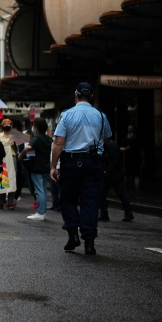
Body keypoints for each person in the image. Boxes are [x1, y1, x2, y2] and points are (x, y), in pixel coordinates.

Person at [51, 82, 112, 255]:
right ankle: (89, 243)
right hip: (93, 162)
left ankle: (73, 235)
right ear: (91, 97)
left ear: (75, 94)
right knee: (90, 201)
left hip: (71, 162)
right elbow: (107, 139)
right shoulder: (101, 116)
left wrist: (53, 166)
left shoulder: (67, 115)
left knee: (68, 199)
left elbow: (59, 143)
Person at [17, 117, 53, 221]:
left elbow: (29, 147)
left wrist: (21, 155)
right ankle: (43, 212)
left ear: (36, 127)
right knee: (43, 190)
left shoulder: (37, 138)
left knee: (39, 190)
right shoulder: (48, 138)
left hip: (37, 167)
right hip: (46, 166)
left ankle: (40, 212)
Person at [99, 138, 134, 222]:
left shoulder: (112, 145)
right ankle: (104, 214)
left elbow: (115, 160)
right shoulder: (106, 145)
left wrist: (108, 171)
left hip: (115, 175)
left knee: (121, 194)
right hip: (108, 175)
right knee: (101, 193)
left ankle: (128, 213)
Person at [0, 118, 19, 210]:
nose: (6, 125)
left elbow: (18, 149)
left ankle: (10, 203)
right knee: (1, 179)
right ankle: (1, 202)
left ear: (11, 125)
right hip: (2, 158)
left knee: (12, 179)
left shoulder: (15, 136)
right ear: (2, 126)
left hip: (12, 158)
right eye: (5, 124)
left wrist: (13, 144)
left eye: (8, 123)